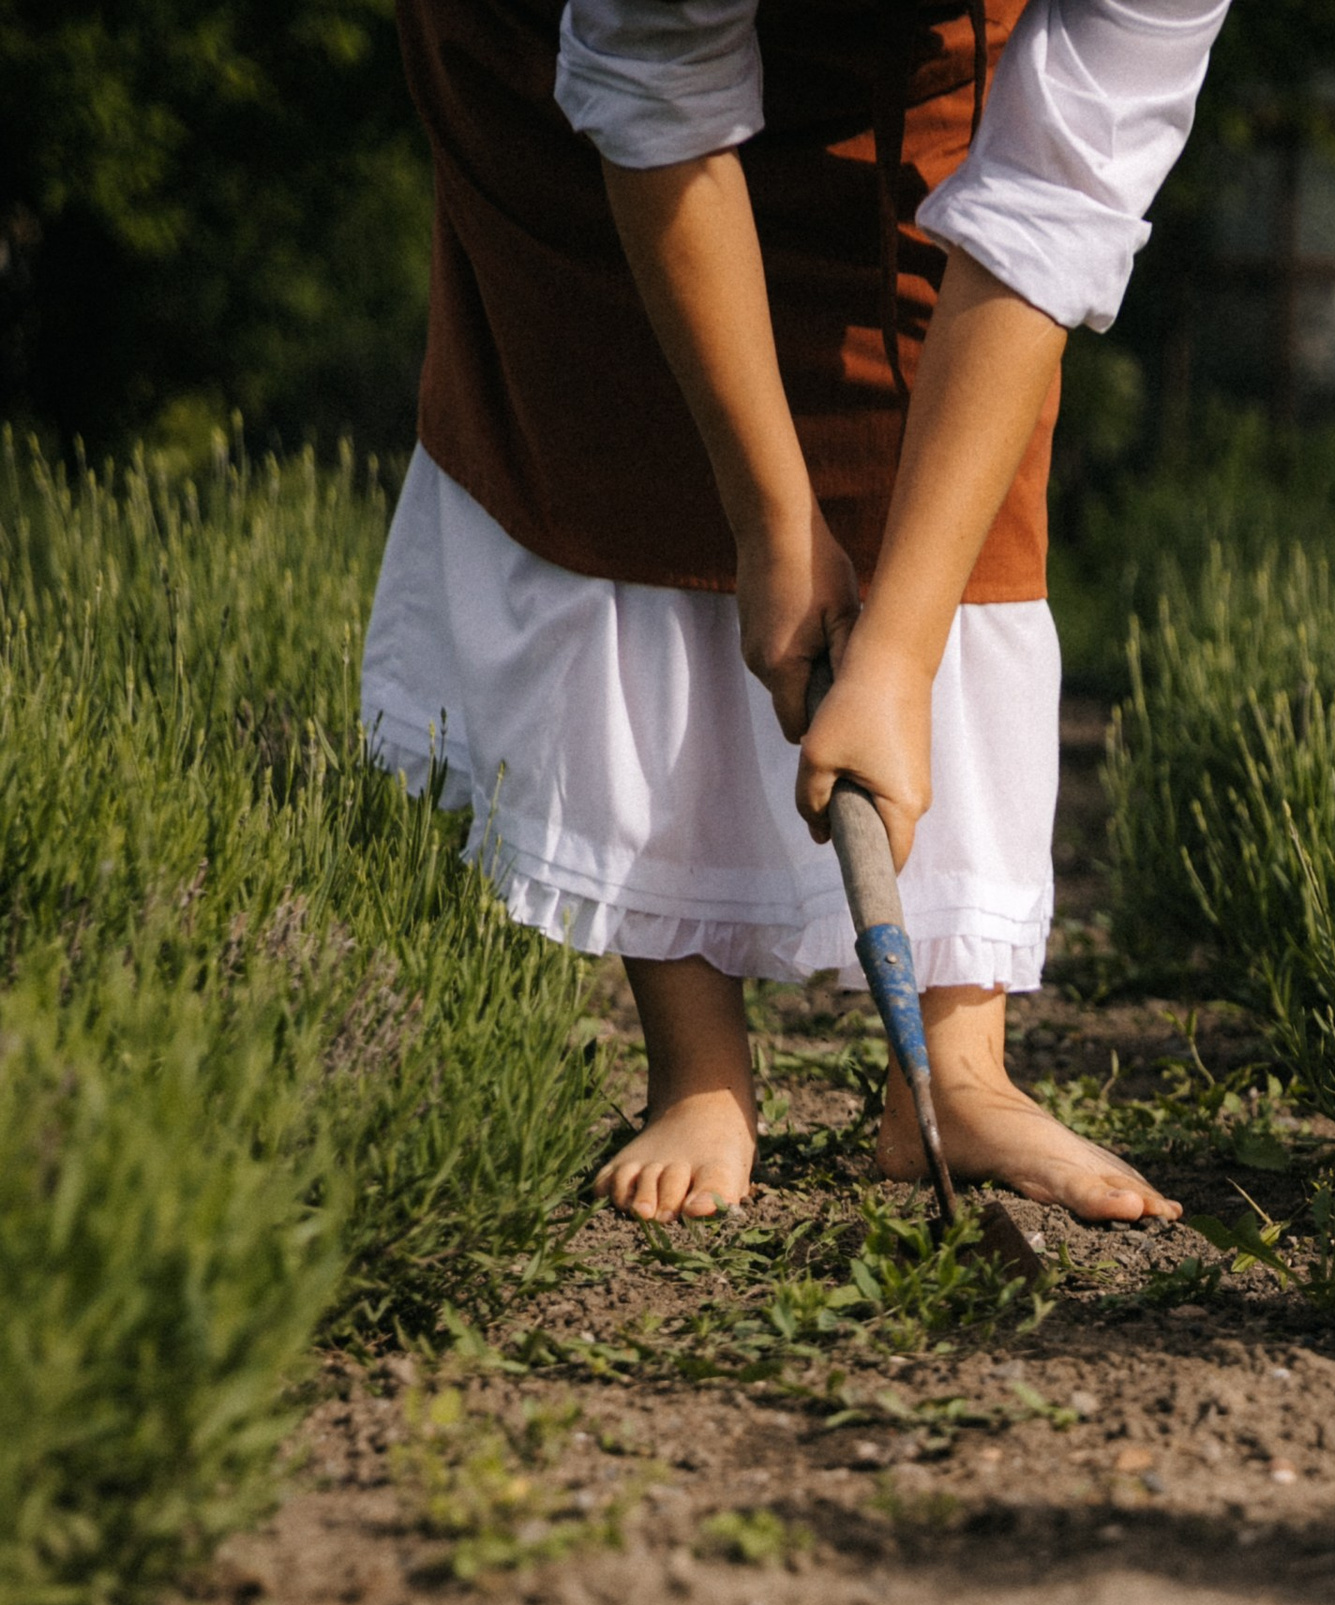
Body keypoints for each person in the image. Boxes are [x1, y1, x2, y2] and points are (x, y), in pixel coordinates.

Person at [365, 0, 1228, 1223]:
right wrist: (773, 527)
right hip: (580, 52)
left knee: (938, 410)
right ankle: (697, 1070)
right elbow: (654, 89)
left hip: (925, 67)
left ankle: (958, 1076)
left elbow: (1053, 206)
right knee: (637, 436)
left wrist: (900, 652)